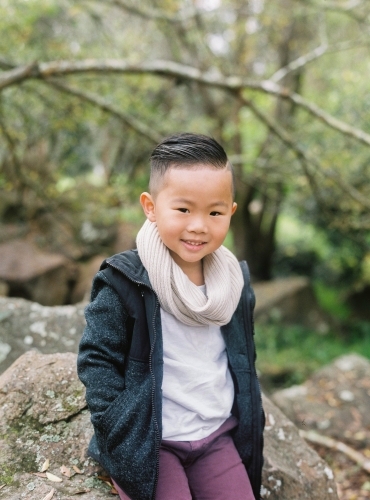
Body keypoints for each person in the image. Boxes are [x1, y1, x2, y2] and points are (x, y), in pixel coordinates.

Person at [77, 133, 264, 500]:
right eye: (183, 209)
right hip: (153, 441)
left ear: (231, 211)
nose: (198, 225)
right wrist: (118, 428)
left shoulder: (234, 280)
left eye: (215, 212)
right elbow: (97, 360)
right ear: (150, 206)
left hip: (215, 435)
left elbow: (244, 356)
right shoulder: (124, 279)